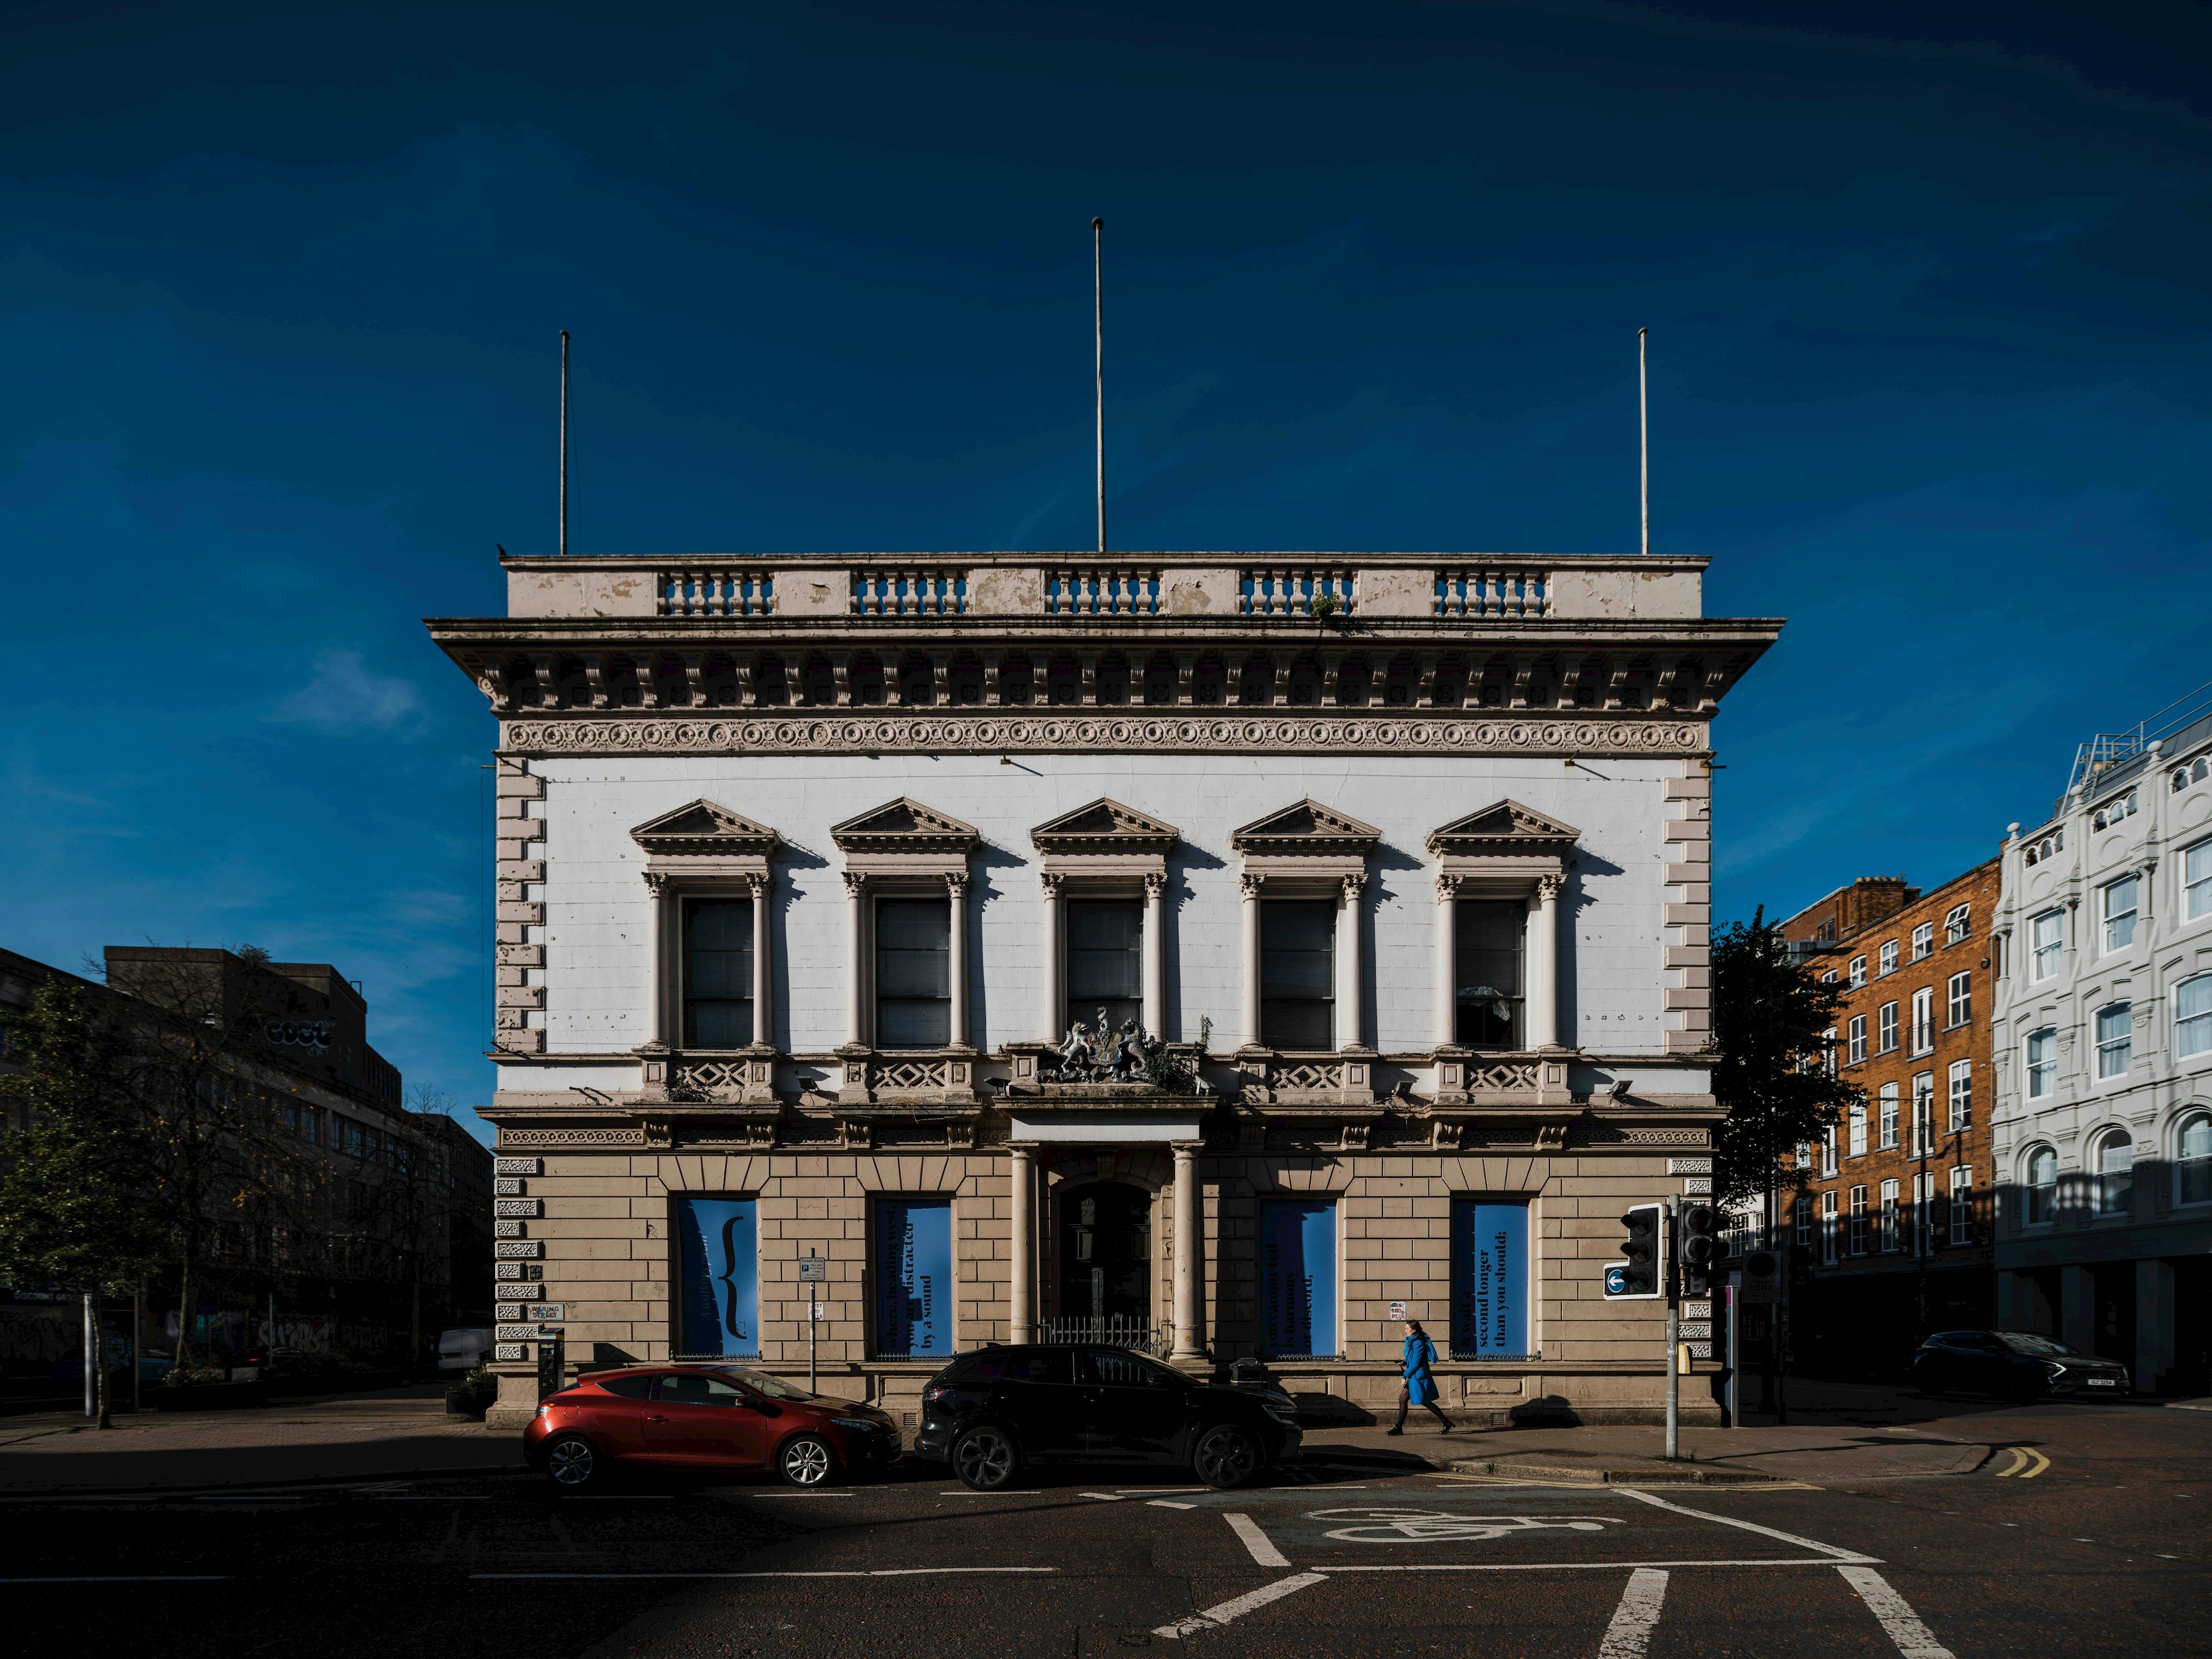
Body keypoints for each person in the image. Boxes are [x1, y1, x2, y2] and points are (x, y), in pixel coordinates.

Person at [1386, 1318, 1454, 1435]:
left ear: (1414, 1329)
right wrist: (1405, 1362)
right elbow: (1412, 1359)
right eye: (1406, 1329)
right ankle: (1446, 1423)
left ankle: (1399, 1428)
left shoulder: (1419, 1342)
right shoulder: (1413, 1341)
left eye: (1407, 1329)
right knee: (1407, 1400)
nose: (1406, 1331)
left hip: (1417, 1378)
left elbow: (1417, 1363)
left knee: (1424, 1401)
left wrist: (1405, 1375)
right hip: (1415, 1377)